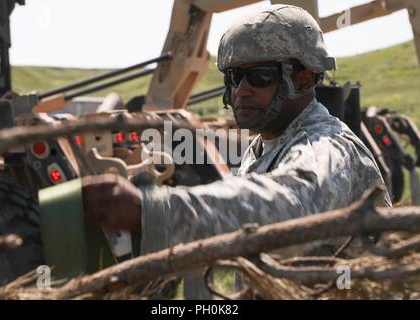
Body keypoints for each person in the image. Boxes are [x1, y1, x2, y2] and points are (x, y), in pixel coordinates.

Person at [82, 5, 391, 259]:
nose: (240, 91)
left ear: (304, 79)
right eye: (233, 77)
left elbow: (292, 208)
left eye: (259, 76)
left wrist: (153, 210)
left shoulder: (326, 147)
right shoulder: (264, 147)